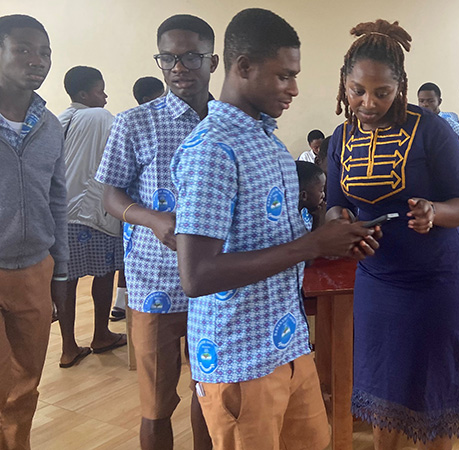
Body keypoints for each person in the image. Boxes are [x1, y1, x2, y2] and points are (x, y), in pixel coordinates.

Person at [171, 10, 378, 449]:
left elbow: (281, 245)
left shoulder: (268, 142)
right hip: (240, 357)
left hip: (287, 343)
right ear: (243, 66)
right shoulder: (213, 149)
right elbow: (197, 275)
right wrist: (311, 244)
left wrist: (335, 239)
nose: (295, 89)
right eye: (284, 75)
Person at [327, 19, 459, 447]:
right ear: (344, 83)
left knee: (434, 394)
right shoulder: (341, 137)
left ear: (401, 87)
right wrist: (341, 224)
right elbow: (334, 203)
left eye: (381, 92)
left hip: (438, 280)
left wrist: (434, 212)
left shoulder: (430, 129)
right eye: (357, 90)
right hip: (377, 280)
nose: (368, 102)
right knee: (382, 388)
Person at [95, 14, 216, 450]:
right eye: (168, 58)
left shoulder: (229, 123)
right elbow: (110, 195)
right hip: (154, 281)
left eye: (190, 57)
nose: (179, 67)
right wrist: (152, 218)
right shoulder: (134, 123)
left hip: (214, 284)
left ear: (213, 61)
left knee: (211, 393)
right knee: (155, 401)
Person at [0, 15, 67, 450]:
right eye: (23, 49)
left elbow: (58, 199)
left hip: (33, 270)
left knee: (25, 382)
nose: (37, 60)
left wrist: (60, 272)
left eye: (43, 51)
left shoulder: (51, 126)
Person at [56, 66, 126, 369]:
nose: (106, 96)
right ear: (85, 94)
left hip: (62, 216)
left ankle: (68, 347)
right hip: (96, 213)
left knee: (66, 281)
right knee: (104, 274)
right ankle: (100, 334)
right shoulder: (100, 117)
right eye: (101, 90)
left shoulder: (59, 119)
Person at [296, 160, 326, 231]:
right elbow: (316, 241)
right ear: (304, 196)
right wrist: (319, 220)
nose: (323, 195)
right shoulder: (292, 222)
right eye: (321, 191)